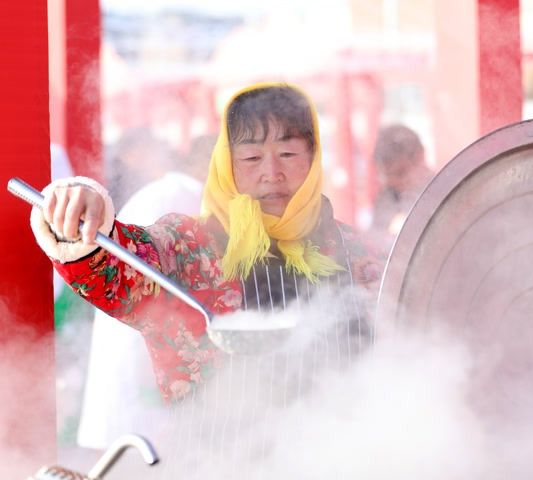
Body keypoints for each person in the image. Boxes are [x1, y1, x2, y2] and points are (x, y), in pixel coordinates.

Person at [30, 83, 382, 402]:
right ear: (227, 164)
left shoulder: (353, 250)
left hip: (339, 443)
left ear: (314, 157)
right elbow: (115, 269)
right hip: (217, 448)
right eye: (252, 158)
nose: (272, 173)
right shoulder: (189, 248)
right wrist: (80, 210)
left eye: (288, 154)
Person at [76, 133, 215, 450]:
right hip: (146, 371)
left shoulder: (165, 192)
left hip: (140, 368)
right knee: (143, 453)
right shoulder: (183, 199)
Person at [370, 124, 435, 254]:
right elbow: (374, 240)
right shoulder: (386, 197)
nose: (393, 182)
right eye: (387, 176)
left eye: (401, 173)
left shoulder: (441, 192)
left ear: (420, 156)